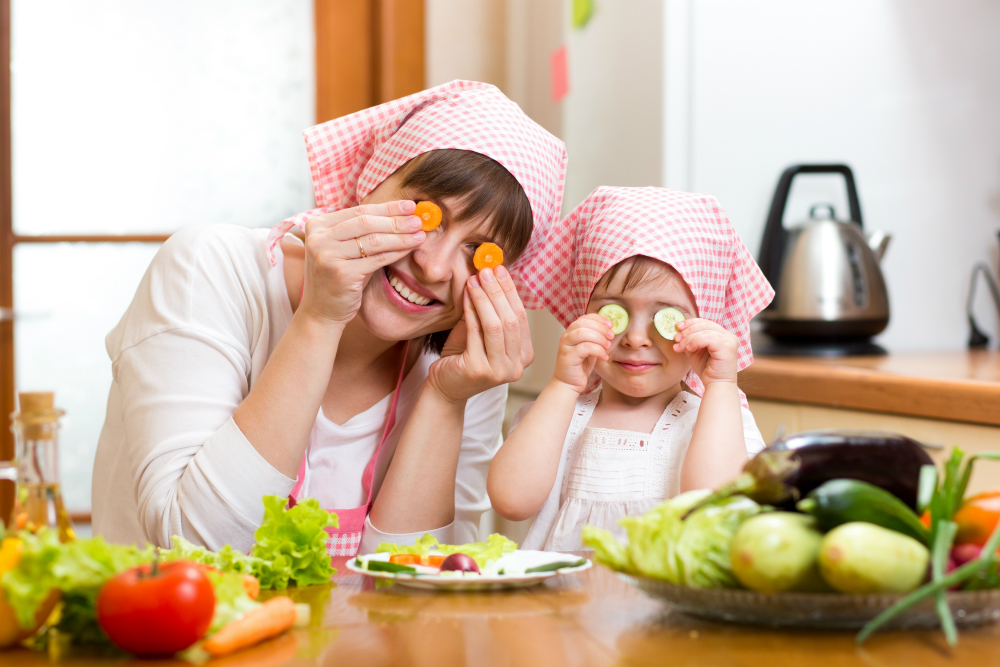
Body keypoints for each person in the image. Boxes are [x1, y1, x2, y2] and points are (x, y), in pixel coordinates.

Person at [92, 81, 567, 555]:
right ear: (370, 180)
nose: (435, 267)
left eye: (479, 252)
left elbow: (415, 590)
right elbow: (198, 544)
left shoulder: (467, 366)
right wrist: (319, 318)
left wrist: (445, 398)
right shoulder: (212, 268)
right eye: (426, 216)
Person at [487, 186, 774, 551]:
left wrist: (719, 385)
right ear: (583, 310)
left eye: (664, 317)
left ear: (706, 323)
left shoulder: (719, 420)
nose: (636, 337)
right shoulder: (560, 414)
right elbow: (511, 501)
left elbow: (714, 508)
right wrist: (562, 385)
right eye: (614, 311)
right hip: (561, 607)